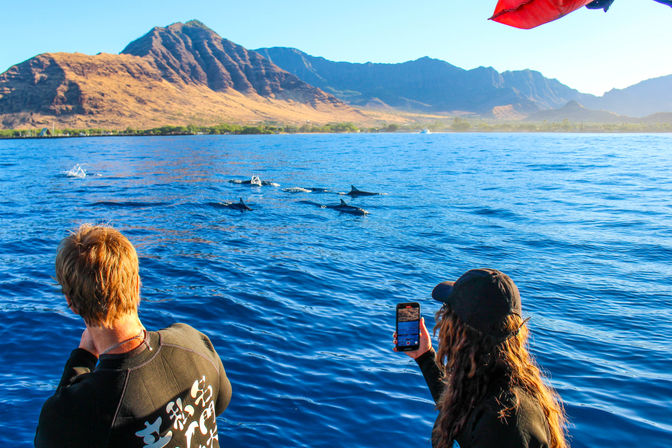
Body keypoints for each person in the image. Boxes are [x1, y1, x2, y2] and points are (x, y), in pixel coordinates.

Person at [35, 224, 232, 448]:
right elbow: (222, 401)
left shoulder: (74, 413)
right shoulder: (194, 341)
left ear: (71, 304)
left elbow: (54, 436)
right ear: (137, 285)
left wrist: (82, 359)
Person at [394, 268, 568, 448]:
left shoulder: (503, 421)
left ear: (461, 332)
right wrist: (424, 356)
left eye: (447, 310)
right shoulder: (491, 382)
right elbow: (460, 406)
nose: (441, 318)